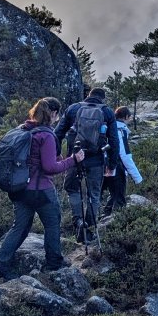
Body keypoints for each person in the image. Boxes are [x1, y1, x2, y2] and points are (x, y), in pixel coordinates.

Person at [0, 97, 83, 279]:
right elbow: (50, 168)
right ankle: (53, 264)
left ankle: (1, 264)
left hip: (19, 190)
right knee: (52, 225)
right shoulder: (46, 135)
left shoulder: (24, 130)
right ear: (53, 113)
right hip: (41, 191)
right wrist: (74, 159)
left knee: (19, 227)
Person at [54, 87, 122, 242]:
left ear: (88, 96)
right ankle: (89, 230)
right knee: (94, 194)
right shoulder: (107, 112)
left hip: (75, 158)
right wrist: (112, 165)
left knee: (72, 188)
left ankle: (78, 221)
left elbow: (57, 133)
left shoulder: (74, 108)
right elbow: (114, 141)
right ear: (102, 98)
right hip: (97, 160)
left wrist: (57, 153)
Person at [101, 105, 143, 215]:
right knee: (119, 198)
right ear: (125, 117)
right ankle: (114, 224)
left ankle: (104, 216)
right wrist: (137, 177)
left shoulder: (108, 127)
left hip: (102, 165)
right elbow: (124, 155)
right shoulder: (120, 130)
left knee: (110, 194)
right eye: (129, 117)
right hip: (116, 167)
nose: (129, 120)